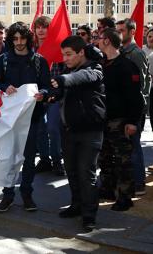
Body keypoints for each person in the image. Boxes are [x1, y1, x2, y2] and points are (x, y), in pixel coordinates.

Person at [50, 36, 106, 232]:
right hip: (68, 131)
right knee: (72, 173)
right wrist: (47, 96)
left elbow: (82, 78)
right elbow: (60, 93)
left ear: (81, 52)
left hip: (90, 132)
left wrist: (63, 79)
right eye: (63, 54)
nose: (65, 59)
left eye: (68, 54)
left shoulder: (95, 69)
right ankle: (76, 206)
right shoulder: (68, 70)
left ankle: (89, 215)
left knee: (86, 174)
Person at [0, 22, 50, 213]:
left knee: (28, 158)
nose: (19, 42)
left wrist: (42, 93)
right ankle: (7, 194)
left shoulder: (39, 61)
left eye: (22, 38)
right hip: (8, 119)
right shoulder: (3, 59)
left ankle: (27, 194)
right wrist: (4, 87)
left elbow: (46, 86)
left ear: (28, 38)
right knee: (8, 157)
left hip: (32, 117)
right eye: (15, 38)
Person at [95, 28, 143, 211]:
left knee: (123, 160)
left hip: (121, 121)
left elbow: (135, 97)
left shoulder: (126, 66)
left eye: (99, 38)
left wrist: (132, 121)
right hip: (104, 119)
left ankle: (125, 196)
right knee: (105, 158)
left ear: (107, 41)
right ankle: (107, 188)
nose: (97, 41)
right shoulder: (102, 64)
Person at [116, 18, 150, 196]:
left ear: (132, 32)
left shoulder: (135, 53)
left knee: (134, 146)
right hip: (123, 107)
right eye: (118, 30)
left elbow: (142, 83)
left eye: (122, 30)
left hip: (134, 108)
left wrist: (136, 109)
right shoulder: (121, 51)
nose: (119, 33)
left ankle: (139, 183)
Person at [32, 16, 54, 174]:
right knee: (40, 127)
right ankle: (45, 159)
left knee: (53, 129)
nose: (41, 30)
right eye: (38, 27)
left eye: (44, 27)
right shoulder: (31, 48)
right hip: (36, 93)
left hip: (53, 92)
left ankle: (56, 159)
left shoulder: (56, 46)